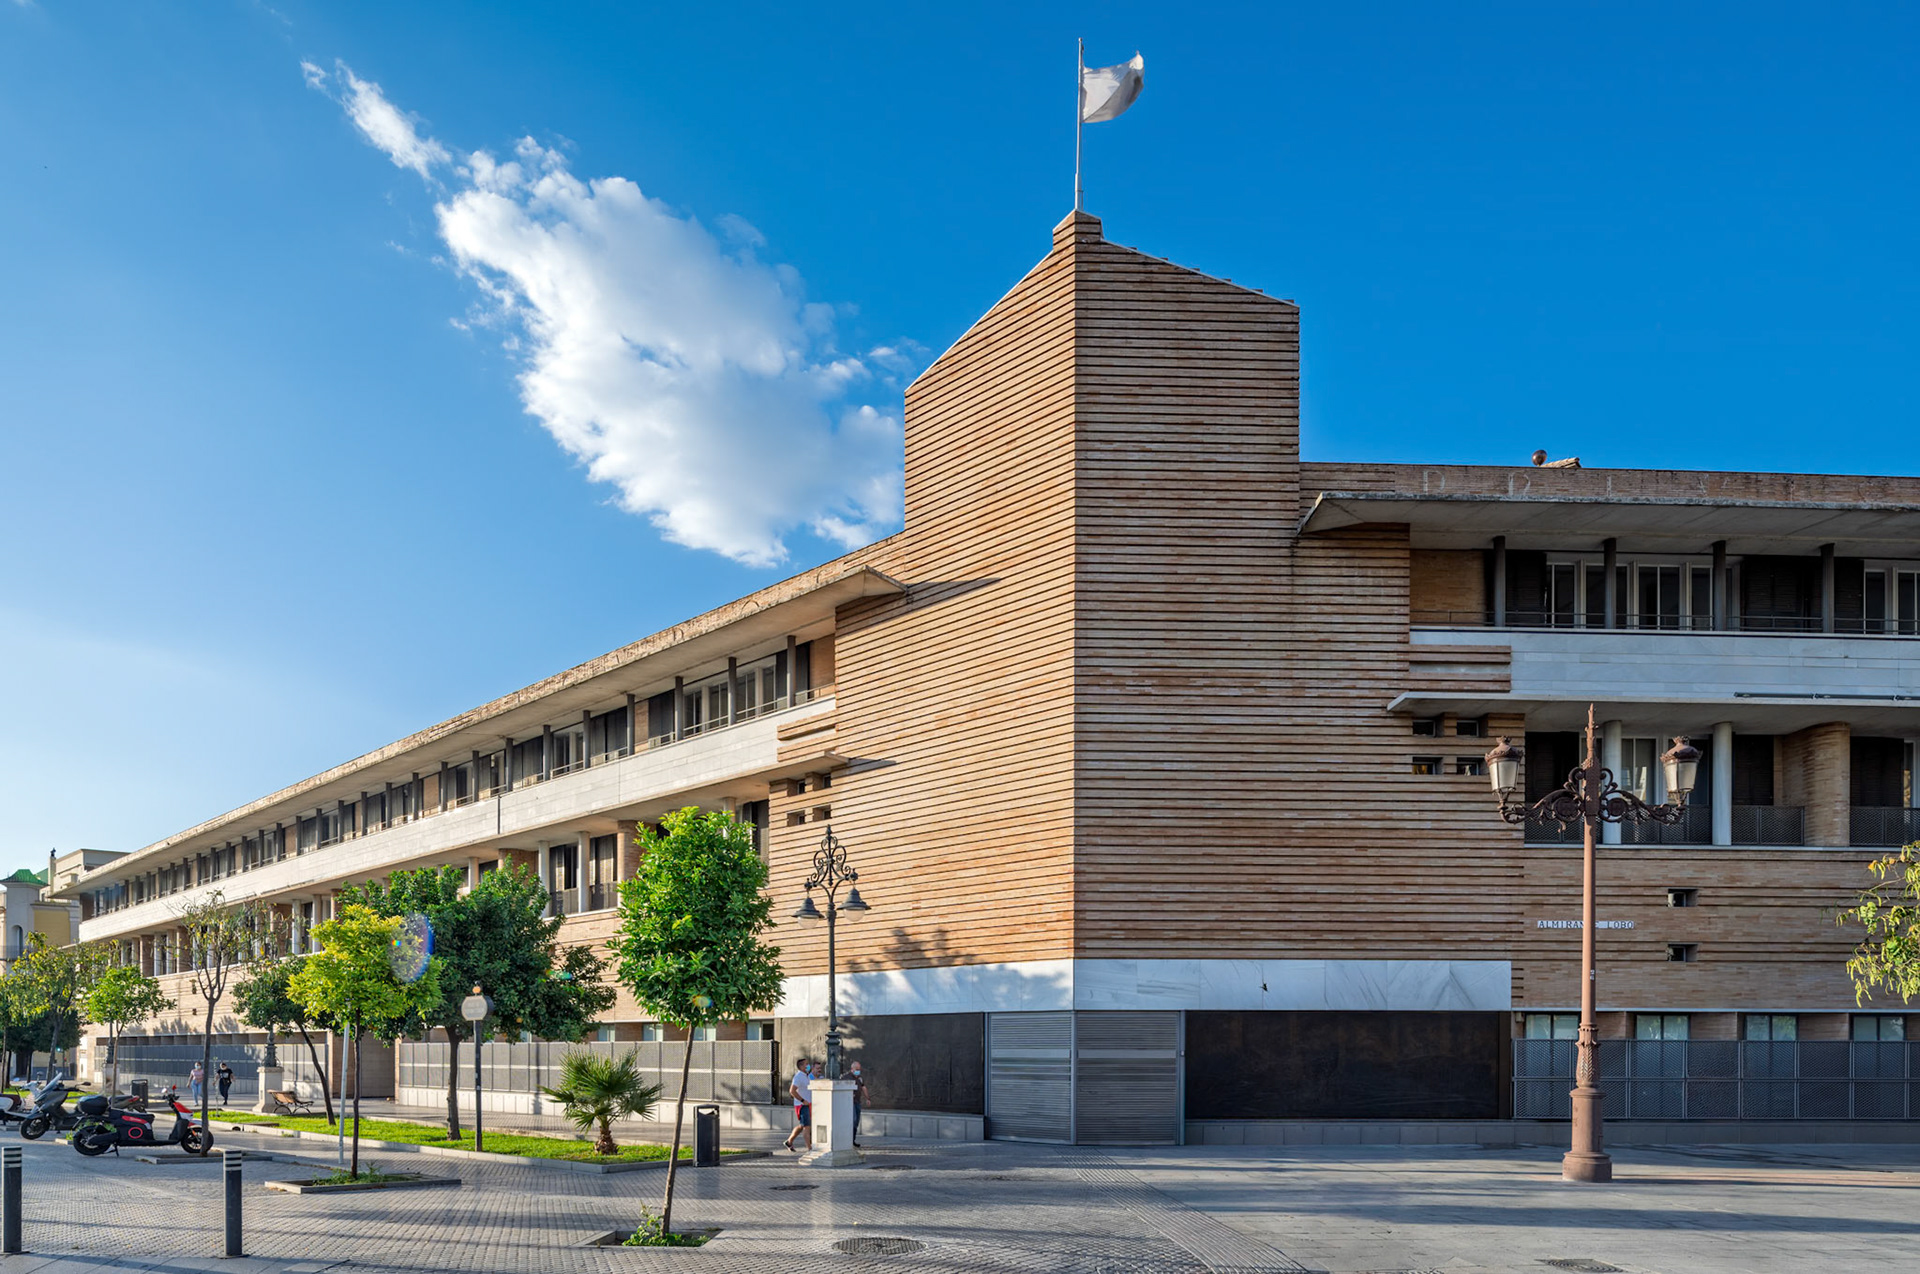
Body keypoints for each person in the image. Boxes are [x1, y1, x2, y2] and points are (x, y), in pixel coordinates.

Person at [782, 1057, 813, 1153]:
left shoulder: (807, 1076)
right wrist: (803, 1100)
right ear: (801, 1066)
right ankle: (810, 1149)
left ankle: (789, 1141)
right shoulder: (798, 1077)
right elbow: (792, 1091)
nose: (808, 1066)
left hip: (808, 1104)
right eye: (806, 1064)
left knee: (803, 1125)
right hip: (802, 1105)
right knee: (806, 1127)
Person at [848, 1059, 870, 1148]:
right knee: (853, 1120)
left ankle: (852, 1140)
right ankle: (849, 1140)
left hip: (857, 1102)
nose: (858, 1071)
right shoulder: (847, 1077)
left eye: (859, 1069)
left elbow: (864, 1088)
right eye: (856, 1069)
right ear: (852, 1069)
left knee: (856, 1122)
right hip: (850, 1103)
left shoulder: (860, 1078)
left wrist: (868, 1098)